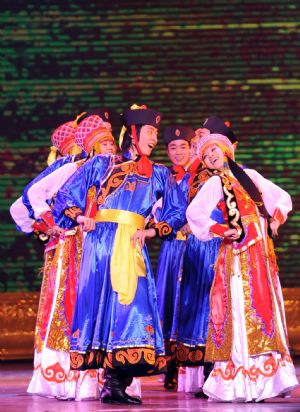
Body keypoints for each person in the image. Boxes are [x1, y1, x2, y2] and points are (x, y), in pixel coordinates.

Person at [52, 104, 187, 405]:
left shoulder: (159, 173)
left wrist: (154, 230)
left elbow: (178, 209)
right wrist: (80, 217)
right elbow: (64, 196)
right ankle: (111, 381)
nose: (154, 139)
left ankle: (117, 379)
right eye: (150, 132)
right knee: (106, 304)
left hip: (131, 243)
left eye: (154, 133)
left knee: (133, 307)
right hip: (101, 244)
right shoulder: (103, 165)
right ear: (135, 134)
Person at [186, 132, 298, 402]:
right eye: (206, 155)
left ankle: (269, 378)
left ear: (227, 150)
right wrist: (221, 229)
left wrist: (275, 221)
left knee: (264, 308)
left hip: (260, 252)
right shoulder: (215, 183)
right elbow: (194, 213)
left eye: (215, 150)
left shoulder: (251, 177)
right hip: (236, 255)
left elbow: (281, 199)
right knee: (238, 308)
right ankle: (240, 379)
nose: (211, 156)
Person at [26, 110, 126, 400]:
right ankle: (70, 379)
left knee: (105, 308)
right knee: (73, 307)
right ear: (92, 146)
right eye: (103, 144)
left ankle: (106, 378)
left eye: (111, 144)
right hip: (75, 247)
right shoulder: (74, 169)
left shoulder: (120, 172)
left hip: (107, 247)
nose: (109, 149)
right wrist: (50, 224)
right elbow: (34, 194)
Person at [154, 125, 194, 390]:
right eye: (173, 147)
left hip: (193, 247)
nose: (178, 152)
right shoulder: (163, 178)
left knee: (190, 303)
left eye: (183, 147)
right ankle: (169, 365)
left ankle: (193, 364)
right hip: (170, 247)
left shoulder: (200, 177)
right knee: (168, 301)